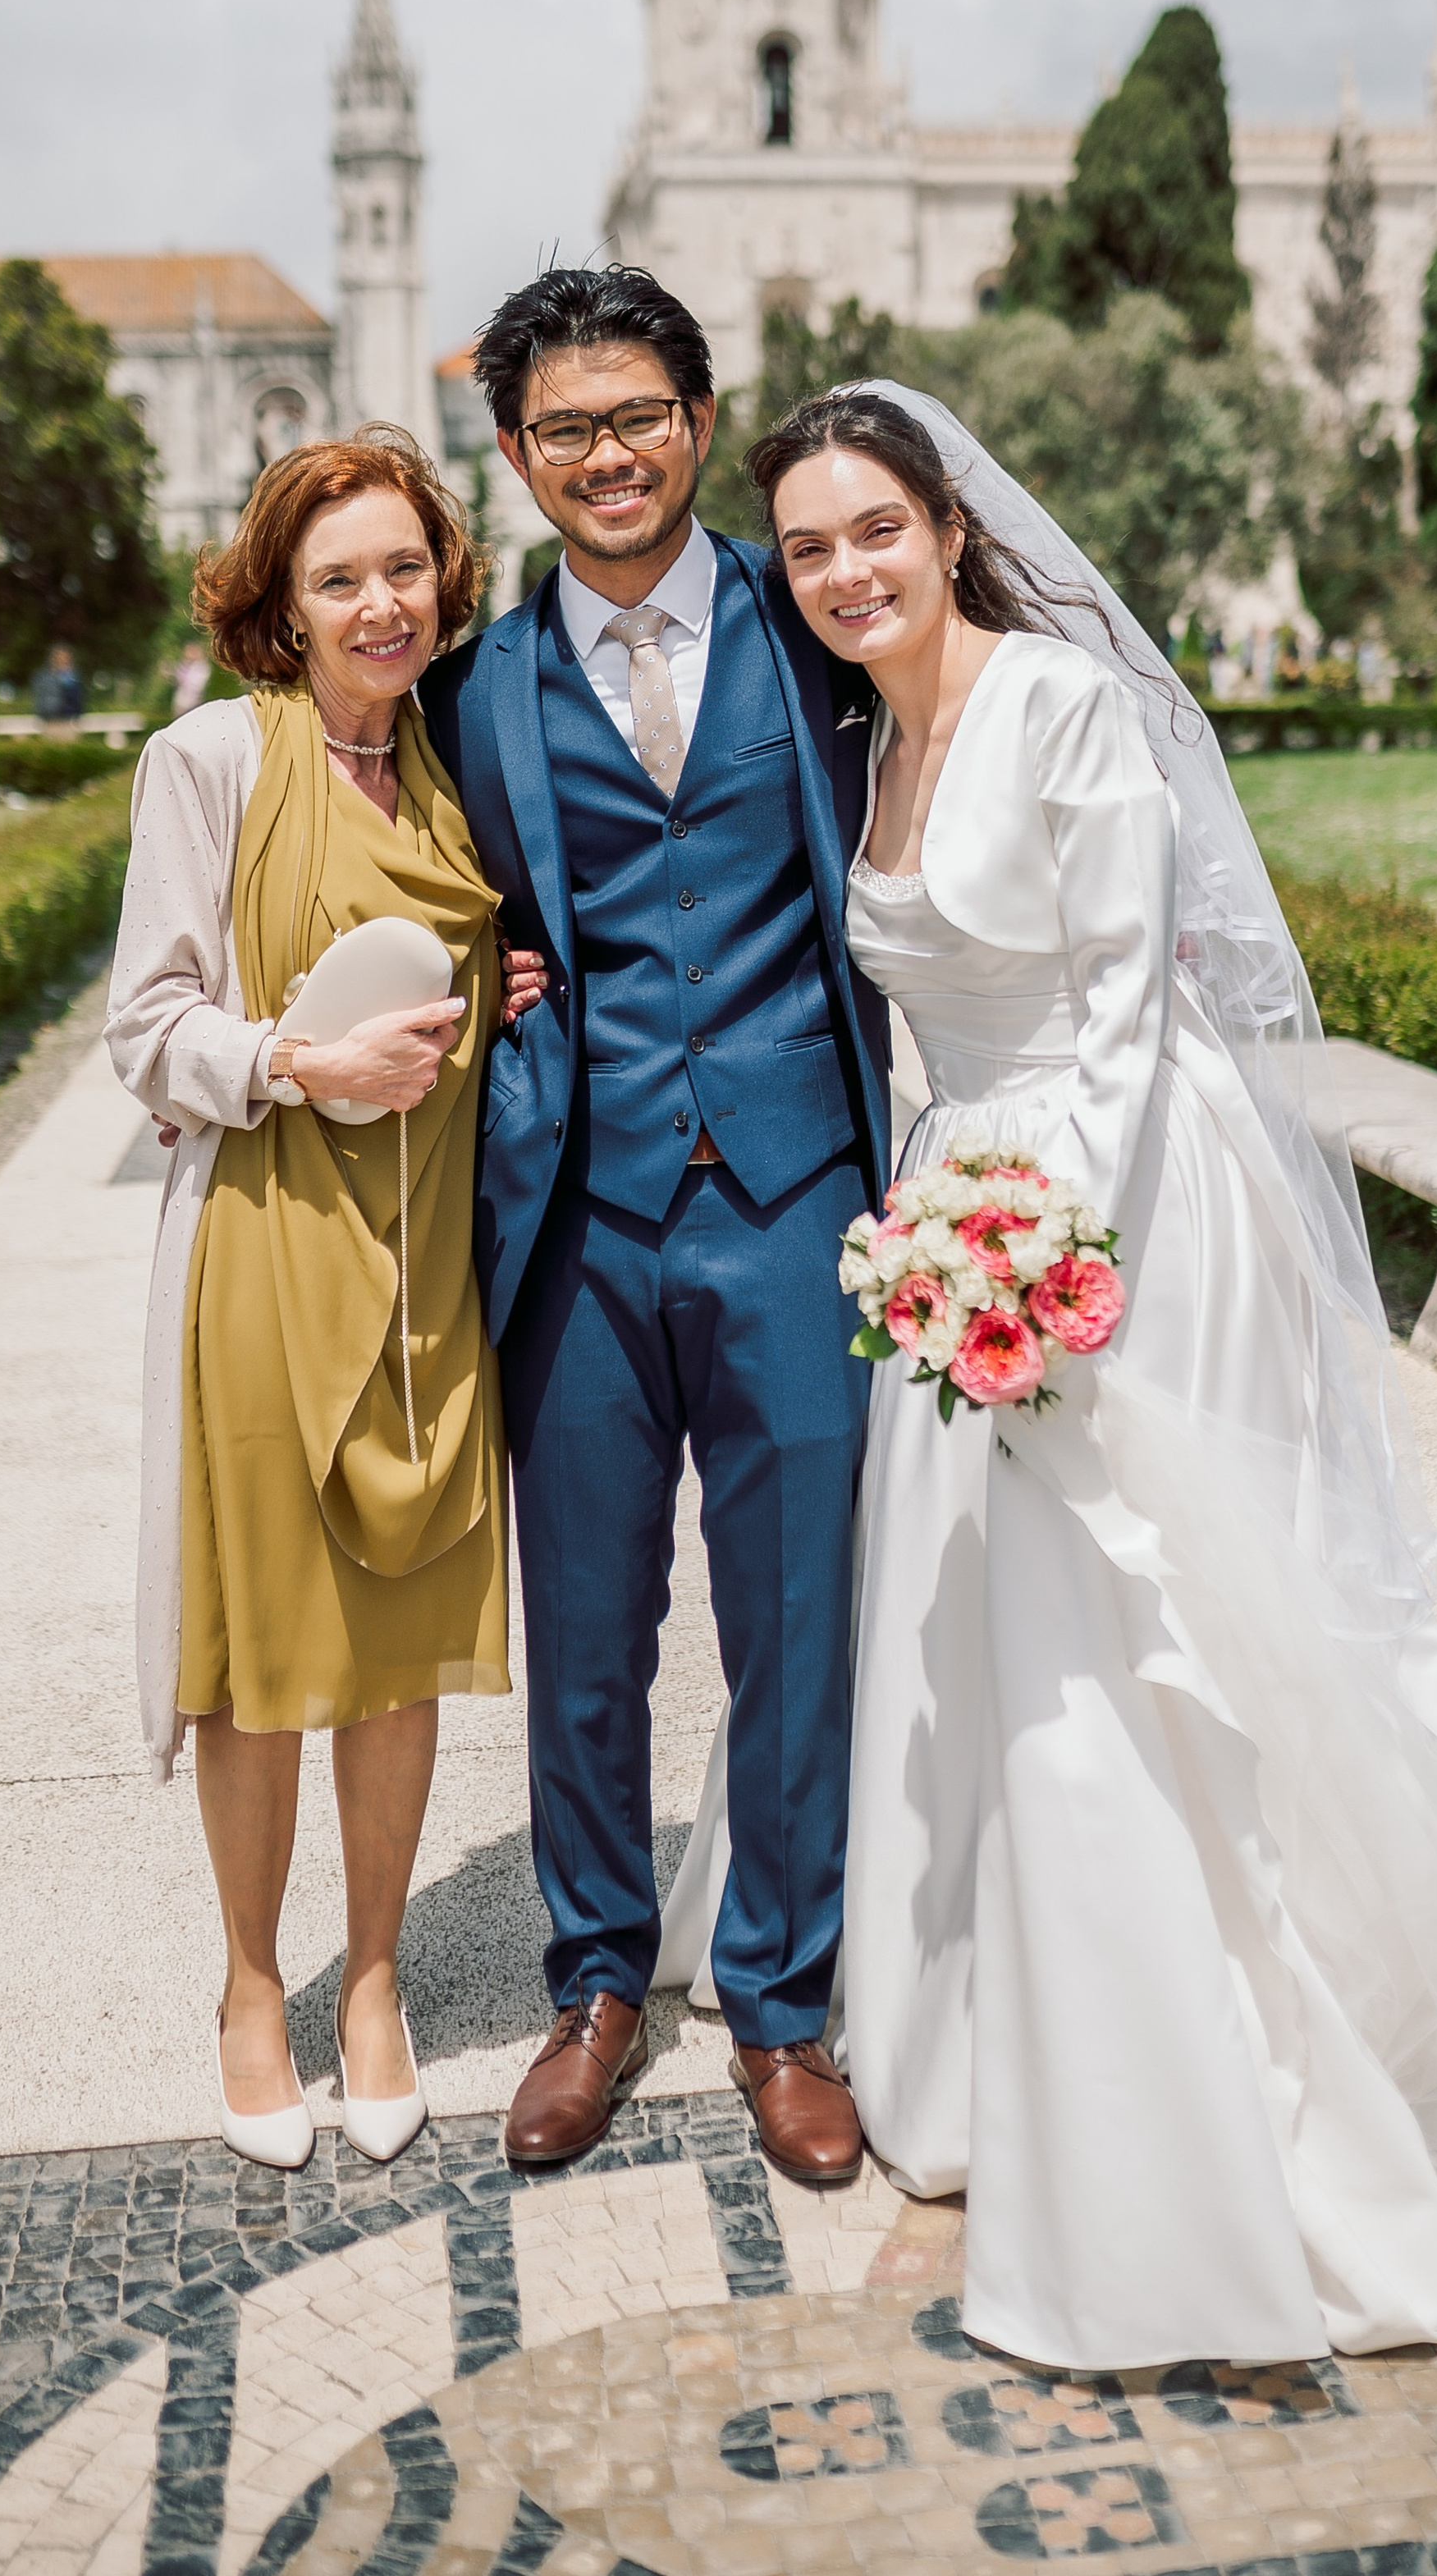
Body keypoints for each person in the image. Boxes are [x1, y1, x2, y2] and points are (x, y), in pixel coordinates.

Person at [712, 381, 1437, 2369]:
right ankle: (1003, 2063)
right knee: (980, 1651)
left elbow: (1113, 1010)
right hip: (959, 1220)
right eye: (807, 547)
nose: (841, 573)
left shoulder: (1064, 707)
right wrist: (945, 1238)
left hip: (1120, 1224)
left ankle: (1188, 2124)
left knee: (1126, 1649)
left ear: (945, 522)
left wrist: (1028, 1267)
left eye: (871, 531)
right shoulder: (872, 732)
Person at [422, 267, 893, 2185]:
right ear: (516, 455)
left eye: (634, 417)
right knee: (590, 1628)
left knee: (798, 1623)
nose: (603, 456)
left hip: (800, 1201)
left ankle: (781, 2007)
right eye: (562, 429)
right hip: (580, 1221)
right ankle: (598, 1985)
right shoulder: (474, 690)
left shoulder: (825, 632)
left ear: (696, 422)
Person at [108, 425, 539, 2174]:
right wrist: (293, 1055)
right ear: (280, 605)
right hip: (269, 1254)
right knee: (261, 1657)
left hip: (429, 1261)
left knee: (395, 1645)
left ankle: (372, 1980)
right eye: (337, 574)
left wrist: (501, 985)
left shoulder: (456, 768)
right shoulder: (207, 760)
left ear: (445, 584)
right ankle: (245, 1981)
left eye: (404, 566)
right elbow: (144, 1029)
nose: (379, 600)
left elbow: (464, 985)